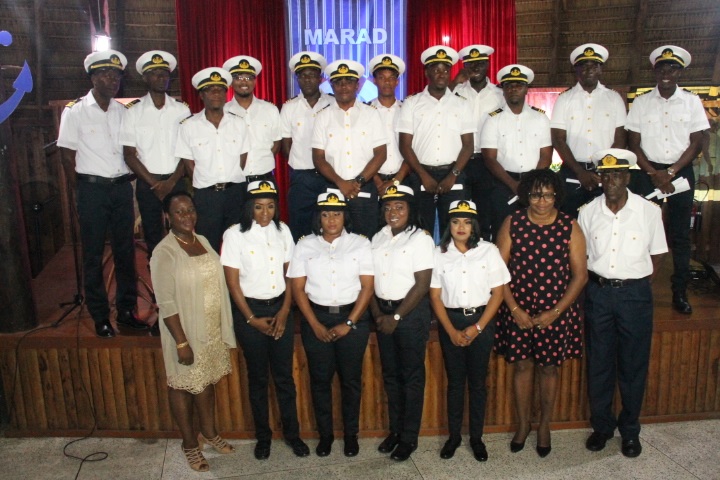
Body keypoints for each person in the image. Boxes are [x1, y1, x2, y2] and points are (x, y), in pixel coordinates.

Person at [579, 148, 668, 458]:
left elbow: (657, 256)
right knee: (599, 363)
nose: (611, 180)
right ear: (600, 178)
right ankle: (602, 427)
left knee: (633, 366)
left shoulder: (649, 211)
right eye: (606, 175)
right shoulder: (588, 212)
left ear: (628, 177)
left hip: (635, 296)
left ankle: (630, 430)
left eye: (617, 174)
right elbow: (583, 258)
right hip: (599, 293)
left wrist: (633, 282)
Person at [495, 169, 587, 458]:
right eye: (536, 194)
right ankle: (523, 425)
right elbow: (498, 273)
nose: (542, 200)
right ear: (527, 195)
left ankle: (544, 426)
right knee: (522, 367)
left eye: (548, 194)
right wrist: (514, 310)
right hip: (517, 308)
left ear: (557, 194)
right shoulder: (513, 222)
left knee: (549, 368)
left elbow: (580, 276)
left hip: (556, 312)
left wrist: (555, 312)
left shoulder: (569, 226)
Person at [57, 50, 147, 338]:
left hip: (121, 188)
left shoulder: (124, 111)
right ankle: (99, 315)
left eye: (117, 75)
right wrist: (80, 193)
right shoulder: (75, 111)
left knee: (125, 253)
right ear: (92, 77)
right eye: (106, 74)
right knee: (93, 255)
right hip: (92, 189)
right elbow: (67, 157)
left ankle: (126, 311)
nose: (113, 79)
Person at [221, 180, 309, 460]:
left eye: (270, 206)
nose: (265, 212)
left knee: (284, 378)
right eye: (259, 206)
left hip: (280, 309)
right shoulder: (234, 235)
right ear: (249, 207)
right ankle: (263, 437)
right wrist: (250, 319)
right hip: (251, 313)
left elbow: (291, 276)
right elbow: (233, 284)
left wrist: (285, 312)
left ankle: (292, 435)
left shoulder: (283, 231)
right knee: (258, 379)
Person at [150, 191, 237, 472]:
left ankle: (209, 433)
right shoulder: (164, 252)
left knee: (206, 381)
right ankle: (189, 444)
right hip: (184, 332)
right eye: (179, 212)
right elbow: (166, 303)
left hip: (210, 329)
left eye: (190, 210)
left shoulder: (204, 241)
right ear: (167, 217)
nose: (187, 216)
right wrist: (181, 343)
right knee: (183, 385)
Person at [287, 191, 374, 458]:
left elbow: (367, 288)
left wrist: (349, 322)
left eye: (336, 213)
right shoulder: (304, 246)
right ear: (318, 217)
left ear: (345, 215)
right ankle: (326, 436)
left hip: (352, 318)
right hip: (317, 318)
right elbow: (298, 290)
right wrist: (313, 325)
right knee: (320, 381)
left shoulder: (360, 244)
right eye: (325, 214)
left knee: (350, 382)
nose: (331, 219)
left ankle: (351, 436)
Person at [626, 45, 710, 314]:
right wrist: (653, 173)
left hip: (679, 174)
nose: (666, 72)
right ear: (655, 71)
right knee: (639, 232)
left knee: (680, 236)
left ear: (679, 72)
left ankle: (679, 291)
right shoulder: (641, 102)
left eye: (672, 68)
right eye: (661, 67)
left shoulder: (691, 101)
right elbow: (633, 143)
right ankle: (637, 288)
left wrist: (671, 172)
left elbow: (697, 142)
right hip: (645, 173)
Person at [430, 200, 510, 462]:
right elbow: (435, 296)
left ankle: (476, 438)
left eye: (466, 222)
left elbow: (498, 293)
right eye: (455, 221)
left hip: (482, 321)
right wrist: (451, 331)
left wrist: (477, 328)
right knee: (455, 384)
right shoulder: (439, 253)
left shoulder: (488, 251)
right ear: (449, 225)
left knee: (477, 384)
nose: (460, 227)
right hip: (450, 322)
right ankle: (453, 437)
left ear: (474, 225)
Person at [370, 185, 435, 461]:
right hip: (382, 315)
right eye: (388, 207)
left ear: (410, 209)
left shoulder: (420, 239)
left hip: (409, 315)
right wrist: (378, 316)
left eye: (399, 207)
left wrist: (396, 317)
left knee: (411, 378)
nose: (392, 212)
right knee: (391, 377)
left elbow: (422, 285)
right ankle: (395, 431)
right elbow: (368, 281)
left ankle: (409, 438)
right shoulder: (377, 238)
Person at [397, 45, 475, 236]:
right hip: (421, 173)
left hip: (453, 174)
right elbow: (405, 145)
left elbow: (468, 146)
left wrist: (453, 175)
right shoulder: (412, 103)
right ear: (427, 72)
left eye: (446, 70)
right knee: (421, 231)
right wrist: (423, 175)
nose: (442, 74)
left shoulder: (462, 104)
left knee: (456, 231)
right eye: (436, 69)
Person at [120, 50, 190, 260]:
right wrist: (155, 184)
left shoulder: (181, 110)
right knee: (152, 235)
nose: (161, 78)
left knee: (183, 232)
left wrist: (170, 182)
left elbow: (187, 151)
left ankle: (185, 278)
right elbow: (129, 154)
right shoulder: (133, 112)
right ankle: (159, 280)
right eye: (155, 73)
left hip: (176, 181)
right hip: (147, 183)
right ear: (145, 78)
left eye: (164, 73)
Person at [175, 67, 249, 252]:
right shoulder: (189, 126)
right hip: (207, 197)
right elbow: (188, 163)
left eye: (220, 89)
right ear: (201, 95)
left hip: (235, 194)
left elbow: (243, 158)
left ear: (226, 94)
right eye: (210, 90)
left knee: (237, 246)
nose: (216, 94)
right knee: (209, 246)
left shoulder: (239, 124)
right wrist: (206, 181)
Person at [312, 59, 388, 238]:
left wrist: (358, 182)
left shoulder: (371, 114)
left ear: (358, 85)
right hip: (333, 188)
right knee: (332, 240)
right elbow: (318, 158)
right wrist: (341, 183)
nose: (343, 86)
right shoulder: (322, 117)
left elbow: (381, 154)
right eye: (338, 82)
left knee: (366, 238)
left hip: (363, 188)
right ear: (332, 85)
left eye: (349, 82)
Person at [551, 43, 627, 218]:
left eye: (594, 65)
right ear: (576, 70)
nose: (589, 70)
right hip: (572, 171)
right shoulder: (564, 99)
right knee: (570, 224)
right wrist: (580, 172)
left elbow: (620, 138)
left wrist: (603, 169)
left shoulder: (614, 98)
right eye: (583, 66)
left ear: (601, 69)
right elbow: (558, 139)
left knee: (605, 222)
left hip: (606, 172)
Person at [481, 64, 553, 242]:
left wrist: (531, 183)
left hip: (534, 182)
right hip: (503, 183)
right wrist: (514, 185)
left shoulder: (541, 118)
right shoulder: (493, 119)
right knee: (502, 232)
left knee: (535, 232)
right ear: (503, 91)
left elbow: (546, 154)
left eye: (519, 85)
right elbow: (489, 158)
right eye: (509, 86)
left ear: (526, 89)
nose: (514, 89)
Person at [452, 44, 505, 240]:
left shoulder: (500, 94)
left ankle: (483, 251)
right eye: (471, 64)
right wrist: (455, 81)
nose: (476, 68)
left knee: (485, 212)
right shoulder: (455, 92)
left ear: (487, 65)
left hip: (487, 162)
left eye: (480, 64)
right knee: (460, 211)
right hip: (460, 161)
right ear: (465, 66)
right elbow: (436, 102)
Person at [280, 51, 335, 241]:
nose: (308, 80)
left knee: (330, 227)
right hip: (302, 177)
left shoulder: (333, 103)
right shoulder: (289, 107)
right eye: (303, 76)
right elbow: (286, 145)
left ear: (320, 78)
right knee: (300, 228)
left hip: (331, 176)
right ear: (297, 79)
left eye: (312, 75)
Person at [223, 55, 281, 183]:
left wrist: (263, 162)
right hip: (235, 181)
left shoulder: (270, 109)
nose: (244, 82)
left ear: (255, 81)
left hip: (265, 179)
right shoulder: (223, 111)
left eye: (249, 78)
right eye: (238, 78)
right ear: (231, 82)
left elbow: (276, 142)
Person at [368, 54, 410, 194]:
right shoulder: (365, 112)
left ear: (397, 82)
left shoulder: (407, 110)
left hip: (404, 177)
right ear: (374, 81)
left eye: (391, 78)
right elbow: (361, 151)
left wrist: (397, 180)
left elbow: (413, 149)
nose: (387, 82)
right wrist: (377, 181)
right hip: (372, 179)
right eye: (381, 77)